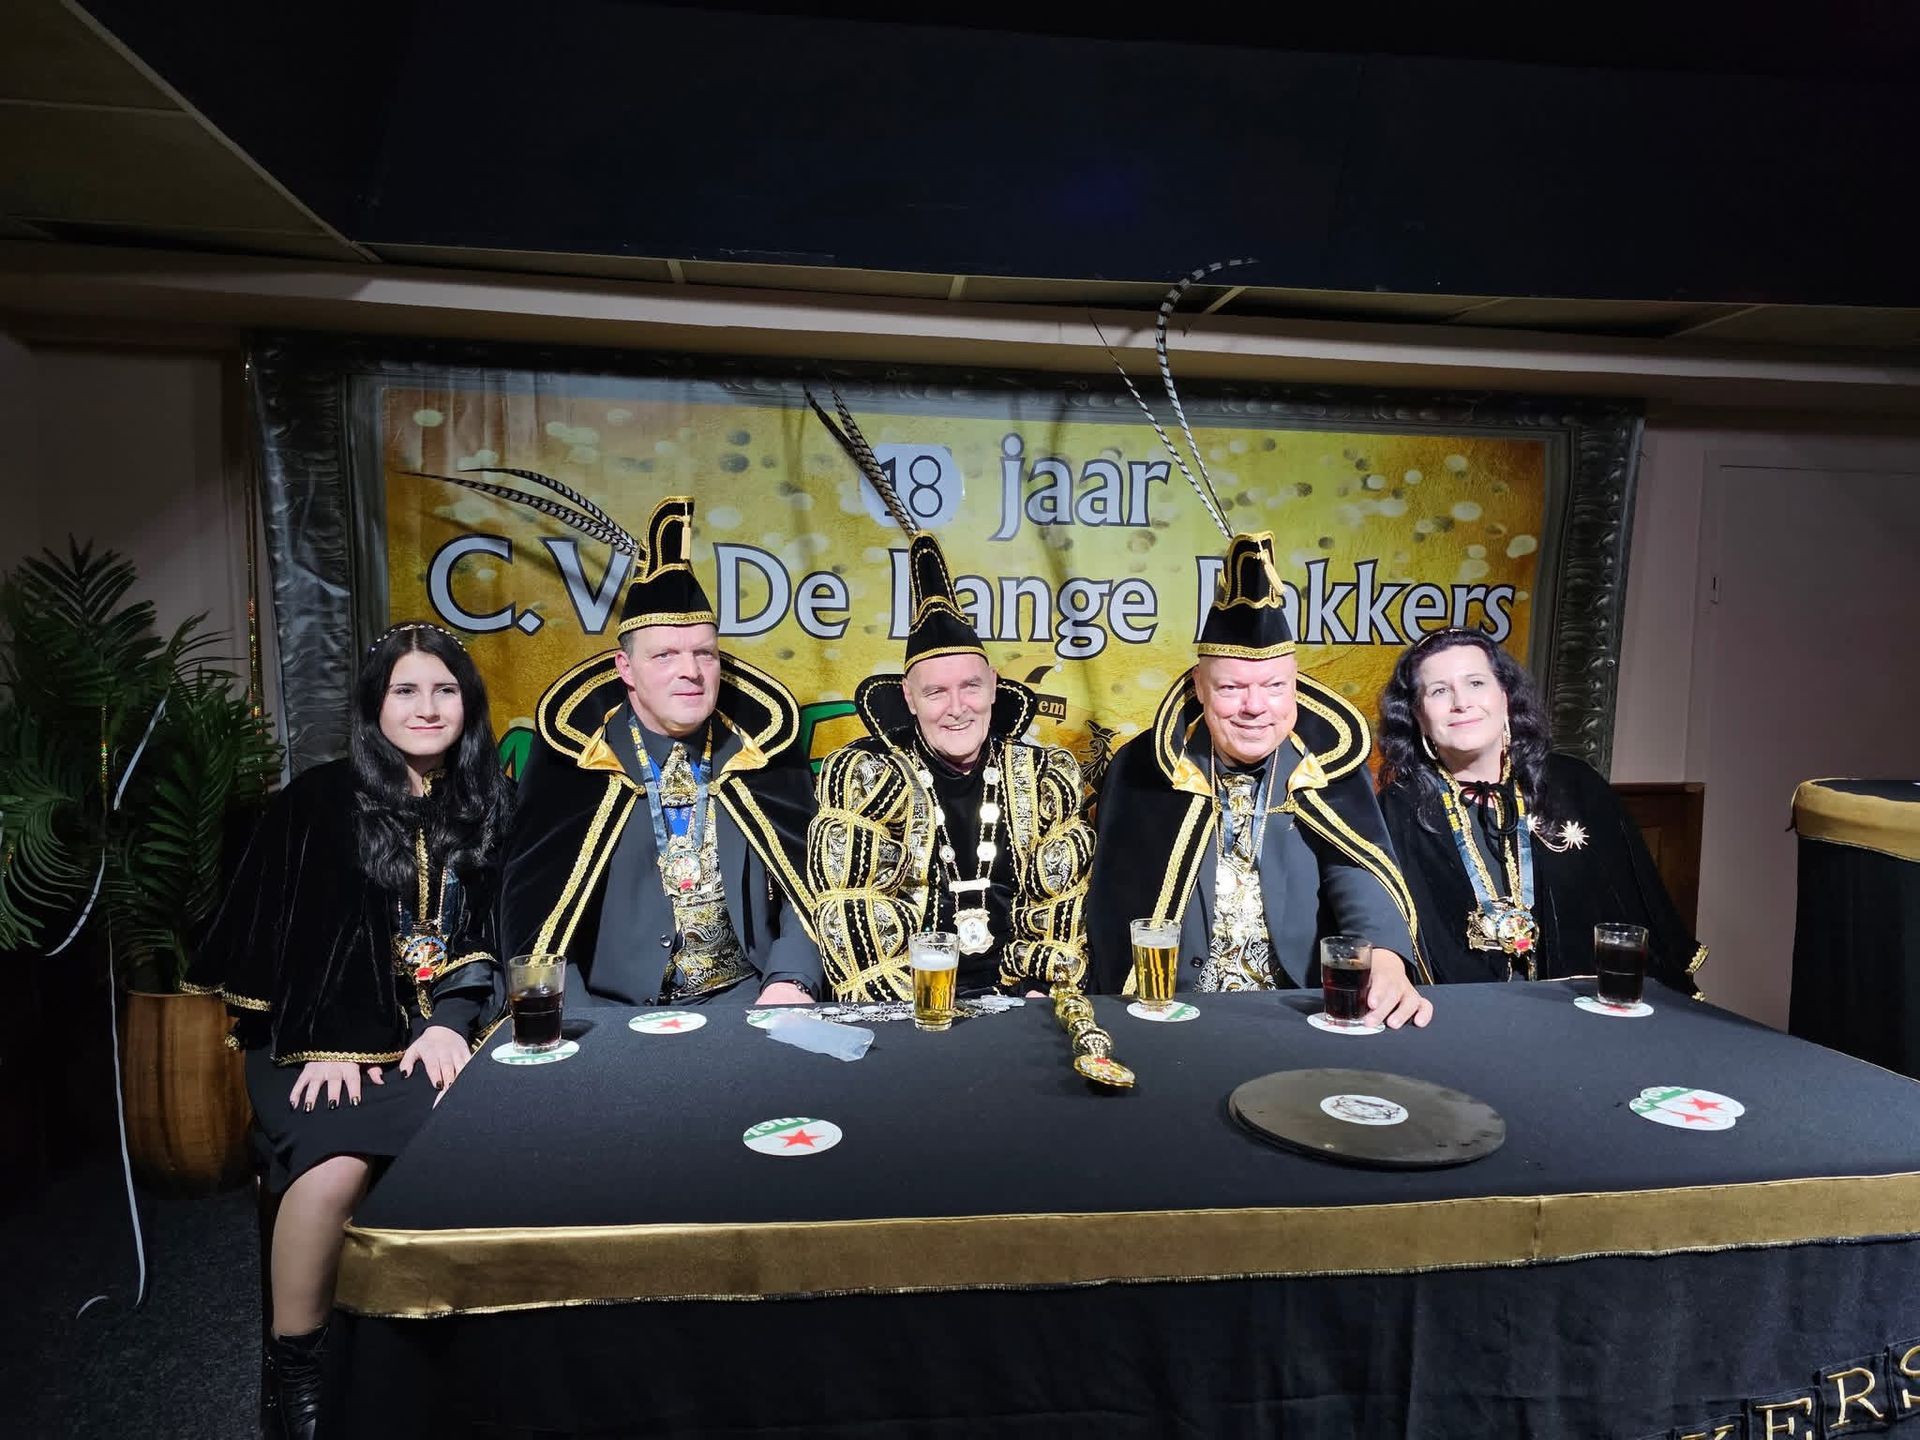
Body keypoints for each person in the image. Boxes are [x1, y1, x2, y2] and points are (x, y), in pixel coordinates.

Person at [186, 622, 513, 1439]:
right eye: (406, 690)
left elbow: (505, 936)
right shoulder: (316, 802)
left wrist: (448, 1021)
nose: (427, 706)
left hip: (443, 1032)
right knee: (333, 1168)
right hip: (310, 1040)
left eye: (444, 690)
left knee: (483, 1142)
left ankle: (455, 1369)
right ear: (374, 705)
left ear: (467, 704)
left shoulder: (491, 803)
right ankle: (296, 1370)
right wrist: (331, 1032)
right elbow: (288, 943)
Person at [456, 480, 822, 1006]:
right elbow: (535, 908)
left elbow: (807, 884)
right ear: (625, 668)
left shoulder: (759, 753)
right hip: (613, 1011)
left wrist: (791, 978)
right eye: (665, 656)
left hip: (749, 998)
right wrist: (571, 1017)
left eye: (705, 654)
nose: (690, 673)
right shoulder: (573, 764)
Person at [805, 393, 1094, 1000]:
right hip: (909, 1004)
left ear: (994, 689)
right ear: (909, 700)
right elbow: (849, 912)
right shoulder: (864, 776)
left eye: (970, 686)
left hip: (1021, 999)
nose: (956, 706)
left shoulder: (1045, 774)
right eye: (935, 692)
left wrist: (1040, 990)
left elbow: (1063, 905)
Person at [1086, 533, 1432, 1025]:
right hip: (1171, 1006)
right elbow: (1115, 899)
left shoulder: (1325, 764)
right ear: (1199, 689)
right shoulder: (1141, 769)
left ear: (1296, 686)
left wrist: (1386, 954)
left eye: (1274, 686)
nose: (1254, 707)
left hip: (1293, 1003)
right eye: (1231, 687)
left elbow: (1356, 868)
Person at [1375, 627, 1706, 989]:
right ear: (1418, 714)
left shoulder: (1575, 787)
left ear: (1505, 696)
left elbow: (1632, 912)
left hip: (1579, 1015)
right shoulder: (1399, 809)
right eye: (1439, 691)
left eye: (1475, 683)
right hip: (1459, 1021)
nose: (1461, 702)